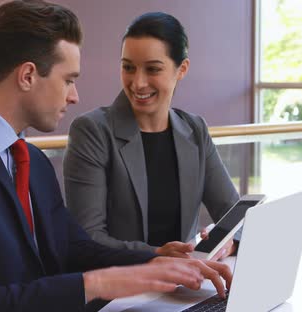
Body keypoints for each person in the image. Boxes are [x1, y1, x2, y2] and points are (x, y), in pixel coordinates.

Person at [0, 2, 232, 311]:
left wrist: (155, 260)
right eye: (69, 80)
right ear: (28, 75)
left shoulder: (31, 161)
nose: (75, 96)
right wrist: (98, 284)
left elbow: (74, 247)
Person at [64, 12, 241, 260]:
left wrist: (230, 243)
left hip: (183, 285)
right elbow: (88, 238)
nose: (138, 83)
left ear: (182, 69)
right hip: (119, 290)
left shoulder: (195, 130)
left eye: (152, 69)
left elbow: (236, 216)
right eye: (128, 67)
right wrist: (157, 254)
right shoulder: (92, 131)